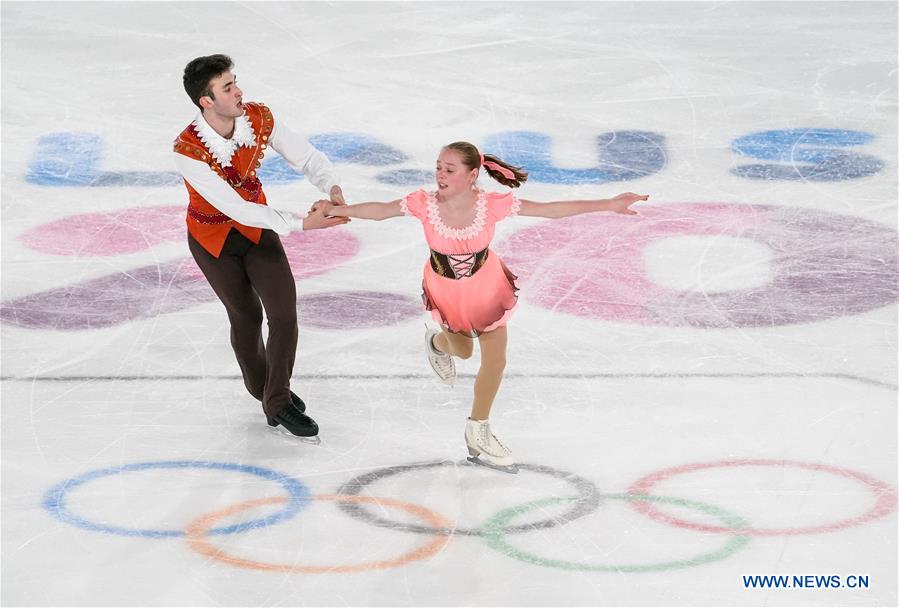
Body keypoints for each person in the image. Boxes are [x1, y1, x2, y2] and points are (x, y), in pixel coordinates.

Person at [313, 141, 647, 471]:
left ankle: (478, 428)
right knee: (462, 351)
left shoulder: (491, 205)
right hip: (446, 288)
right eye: (439, 167)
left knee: (496, 360)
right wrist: (339, 210)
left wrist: (609, 204)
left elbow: (550, 210)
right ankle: (436, 342)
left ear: (472, 175)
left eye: (449, 169)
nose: (440, 174)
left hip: (487, 284)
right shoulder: (423, 203)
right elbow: (381, 211)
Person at [173, 54, 348, 440]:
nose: (239, 92)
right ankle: (264, 390)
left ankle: (277, 399)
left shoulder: (258, 118)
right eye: (228, 87)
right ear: (206, 100)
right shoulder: (187, 150)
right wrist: (303, 223)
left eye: (235, 82)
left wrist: (331, 188)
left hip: (258, 229)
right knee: (247, 317)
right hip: (213, 239)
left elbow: (306, 156)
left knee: (284, 311)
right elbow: (233, 207)